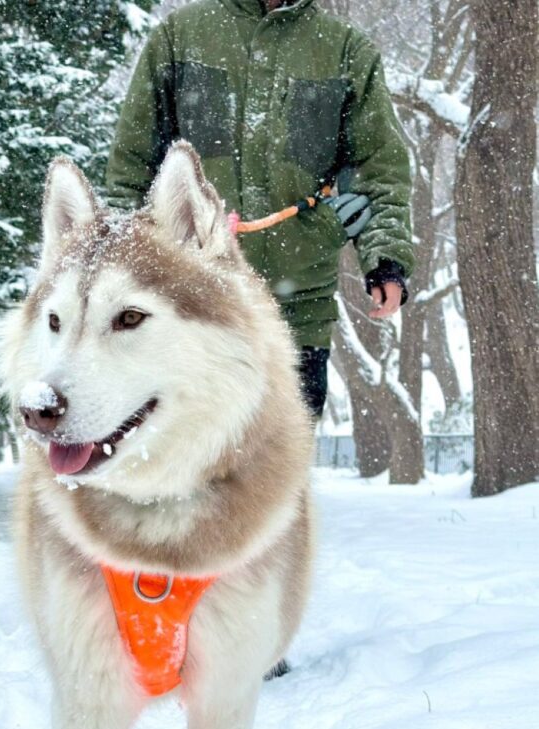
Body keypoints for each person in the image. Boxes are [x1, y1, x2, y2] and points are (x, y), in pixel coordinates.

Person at [106, 0, 413, 418]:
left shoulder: (346, 51)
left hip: (298, 312)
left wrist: (385, 259)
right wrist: (118, 265)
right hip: (189, 314)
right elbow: (132, 165)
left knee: (278, 470)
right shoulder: (179, 39)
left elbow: (379, 168)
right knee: (178, 466)